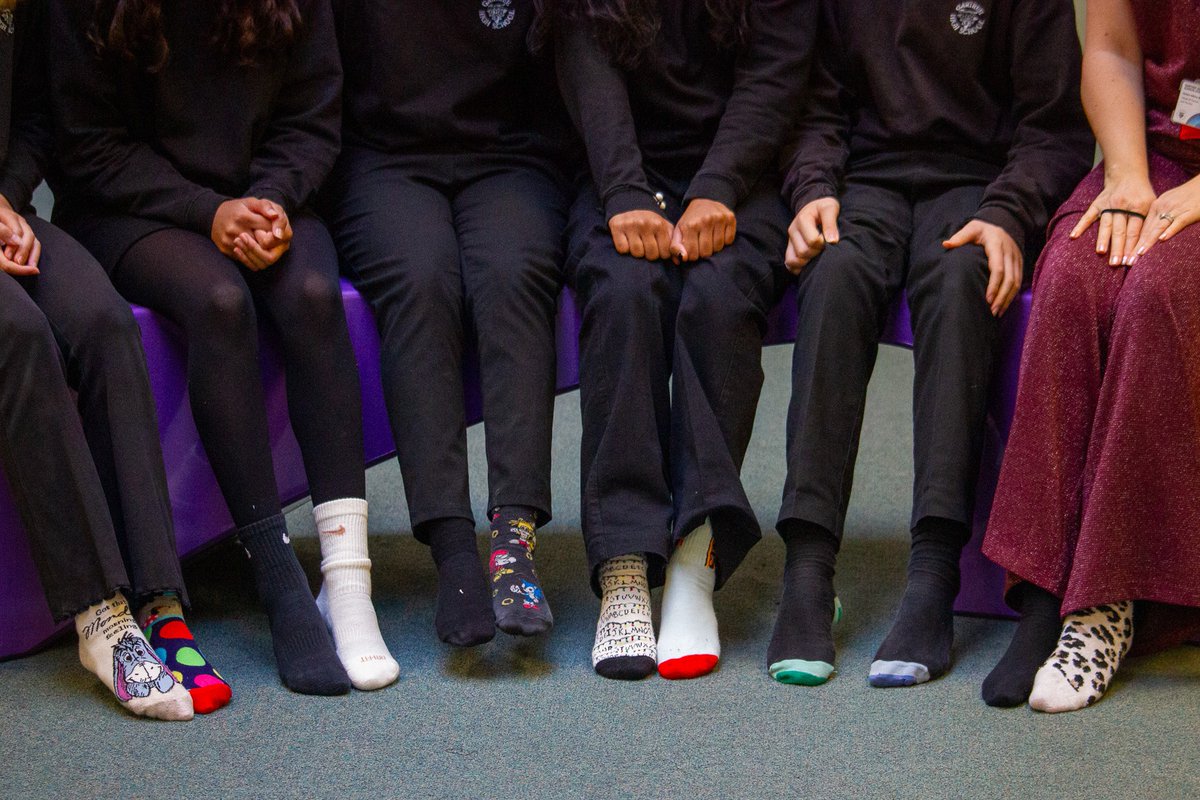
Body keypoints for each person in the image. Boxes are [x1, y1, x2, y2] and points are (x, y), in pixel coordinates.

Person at [49, 0, 396, 694]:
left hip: (262, 197)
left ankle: (346, 582)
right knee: (220, 301)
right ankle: (279, 579)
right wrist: (206, 212)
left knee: (313, 296)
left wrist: (271, 196)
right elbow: (84, 144)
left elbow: (313, 116)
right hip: (131, 208)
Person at [770, 0, 1092, 688]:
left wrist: (1009, 212)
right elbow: (814, 106)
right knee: (833, 273)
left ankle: (934, 574)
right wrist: (813, 188)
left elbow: (1054, 128)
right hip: (863, 180)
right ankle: (807, 569)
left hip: (979, 183)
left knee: (961, 280)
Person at [553, 0, 815, 680]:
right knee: (623, 295)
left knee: (718, 302)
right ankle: (624, 566)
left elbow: (776, 69)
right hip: (619, 172)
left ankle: (695, 557)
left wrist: (719, 186)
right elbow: (585, 57)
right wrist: (623, 190)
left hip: (740, 176)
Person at [320, 0, 570, 646]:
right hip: (382, 157)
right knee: (421, 279)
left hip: (513, 154)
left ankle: (513, 542)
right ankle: (455, 552)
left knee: (514, 275)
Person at [0, 0, 220, 719]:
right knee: (20, 335)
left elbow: (35, 116)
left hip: (5, 213)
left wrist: (6, 199)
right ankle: (101, 619)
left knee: (104, 323)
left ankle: (160, 597)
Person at [981, 0, 1200, 713]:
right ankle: (1045, 590)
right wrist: (1129, 176)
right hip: (1155, 151)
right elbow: (1111, 49)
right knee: (1073, 279)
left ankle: (1107, 603)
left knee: (1157, 294)